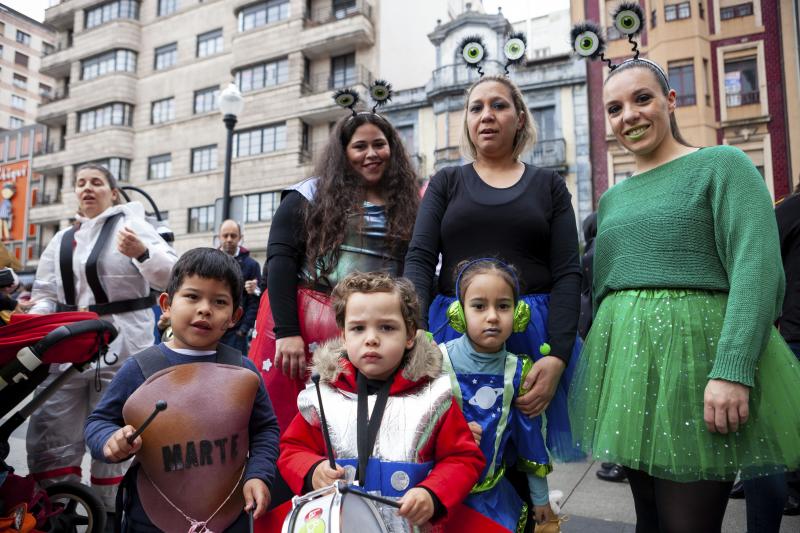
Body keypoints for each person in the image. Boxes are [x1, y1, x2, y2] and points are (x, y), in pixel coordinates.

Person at [567, 54, 800, 532]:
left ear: (670, 101)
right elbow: (607, 289)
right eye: (614, 108)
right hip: (631, 380)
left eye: (642, 98)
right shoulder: (612, 198)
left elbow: (757, 269)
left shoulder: (723, 165)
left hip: (698, 371)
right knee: (649, 521)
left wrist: (733, 369)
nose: (628, 115)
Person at [403, 74, 582, 462]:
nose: (487, 115)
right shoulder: (446, 181)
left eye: (498, 105)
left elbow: (568, 271)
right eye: (476, 107)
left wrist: (559, 356)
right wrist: (415, 331)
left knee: (525, 459)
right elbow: (419, 258)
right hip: (451, 332)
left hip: (534, 339)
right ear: (467, 121)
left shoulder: (549, 185)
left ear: (519, 118)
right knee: (456, 452)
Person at [85, 248, 280, 532]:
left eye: (219, 301)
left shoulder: (244, 371)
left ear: (235, 316)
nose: (205, 308)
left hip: (231, 514)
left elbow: (265, 429)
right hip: (151, 516)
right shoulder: (139, 369)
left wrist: (259, 475)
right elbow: (98, 422)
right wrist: (109, 440)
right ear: (166, 304)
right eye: (192, 296)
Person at [249, 110, 419, 433]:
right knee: (286, 421)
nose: (371, 154)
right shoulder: (309, 194)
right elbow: (280, 261)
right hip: (302, 322)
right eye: (360, 146)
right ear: (343, 152)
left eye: (379, 145)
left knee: (349, 427)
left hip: (366, 326)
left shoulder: (408, 203)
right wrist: (287, 332)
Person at [277, 271, 485, 530]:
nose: (371, 338)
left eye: (386, 327)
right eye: (358, 328)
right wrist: (312, 469)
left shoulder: (435, 397)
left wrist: (432, 494)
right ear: (343, 335)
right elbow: (292, 449)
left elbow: (463, 458)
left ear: (410, 335)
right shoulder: (322, 395)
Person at [26, 163, 177, 509]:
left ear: (113, 192)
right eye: (80, 183)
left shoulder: (133, 226)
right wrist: (34, 331)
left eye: (96, 182)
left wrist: (141, 251)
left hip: (123, 346)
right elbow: (45, 292)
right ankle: (57, 513)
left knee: (118, 429)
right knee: (52, 427)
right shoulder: (62, 239)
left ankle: (111, 513)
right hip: (66, 348)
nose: (87, 189)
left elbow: (172, 275)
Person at [439, 259, 563, 533]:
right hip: (439, 496)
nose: (493, 316)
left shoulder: (519, 371)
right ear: (458, 313)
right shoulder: (437, 362)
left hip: (493, 498)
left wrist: (540, 498)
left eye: (503, 306)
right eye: (479, 306)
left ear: (518, 314)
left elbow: (530, 438)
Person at [218, 219, 261, 353]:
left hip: (236, 333)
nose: (229, 239)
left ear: (240, 238)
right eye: (225, 235)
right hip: (213, 327)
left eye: (233, 235)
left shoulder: (251, 265)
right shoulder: (210, 261)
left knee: (235, 372)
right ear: (219, 237)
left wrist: (244, 329)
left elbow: (254, 301)